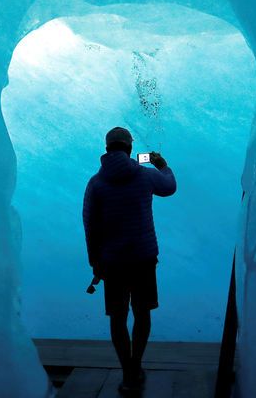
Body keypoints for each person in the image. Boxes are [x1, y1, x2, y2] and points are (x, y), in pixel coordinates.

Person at [82, 126, 176, 394]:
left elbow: (90, 226)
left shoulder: (96, 183)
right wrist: (163, 166)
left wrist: (95, 263)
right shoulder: (145, 176)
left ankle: (128, 372)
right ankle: (137, 364)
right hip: (144, 257)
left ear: (107, 148)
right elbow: (170, 187)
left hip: (112, 262)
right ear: (129, 148)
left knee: (118, 317)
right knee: (142, 313)